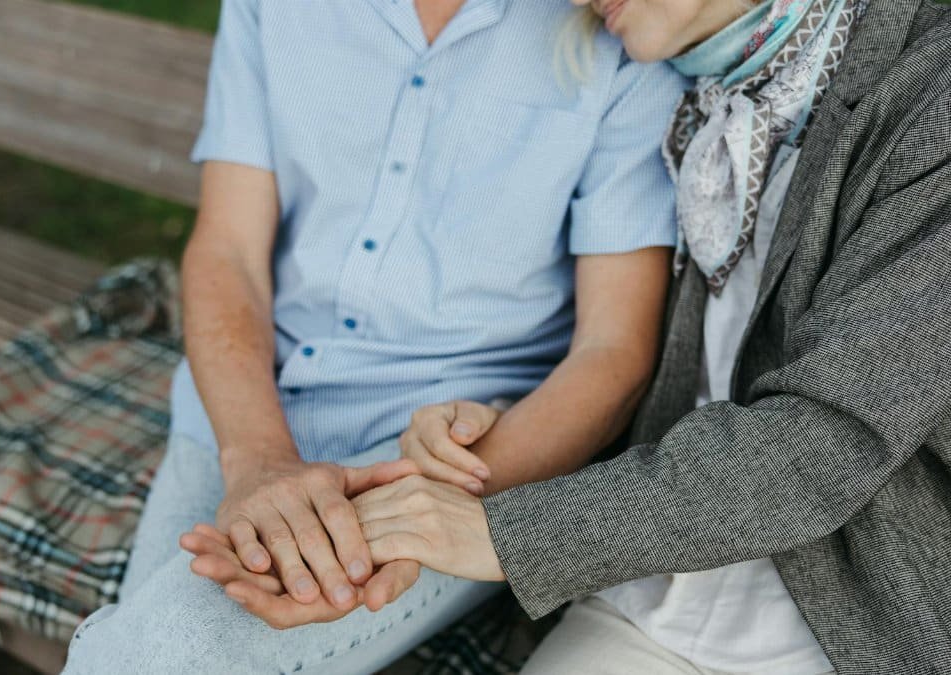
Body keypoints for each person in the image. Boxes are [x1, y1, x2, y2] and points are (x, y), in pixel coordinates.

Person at [196, 0, 951, 673]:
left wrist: (498, 532)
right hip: (660, 590)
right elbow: (655, 367)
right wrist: (478, 433)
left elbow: (825, 437)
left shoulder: (927, 90)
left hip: (858, 609)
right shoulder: (700, 86)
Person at [61, 1, 688, 673]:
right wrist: (258, 459)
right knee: (158, 644)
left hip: (453, 451)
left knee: (175, 642)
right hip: (245, 408)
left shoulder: (621, 18)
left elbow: (613, 355)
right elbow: (229, 251)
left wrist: (428, 507)